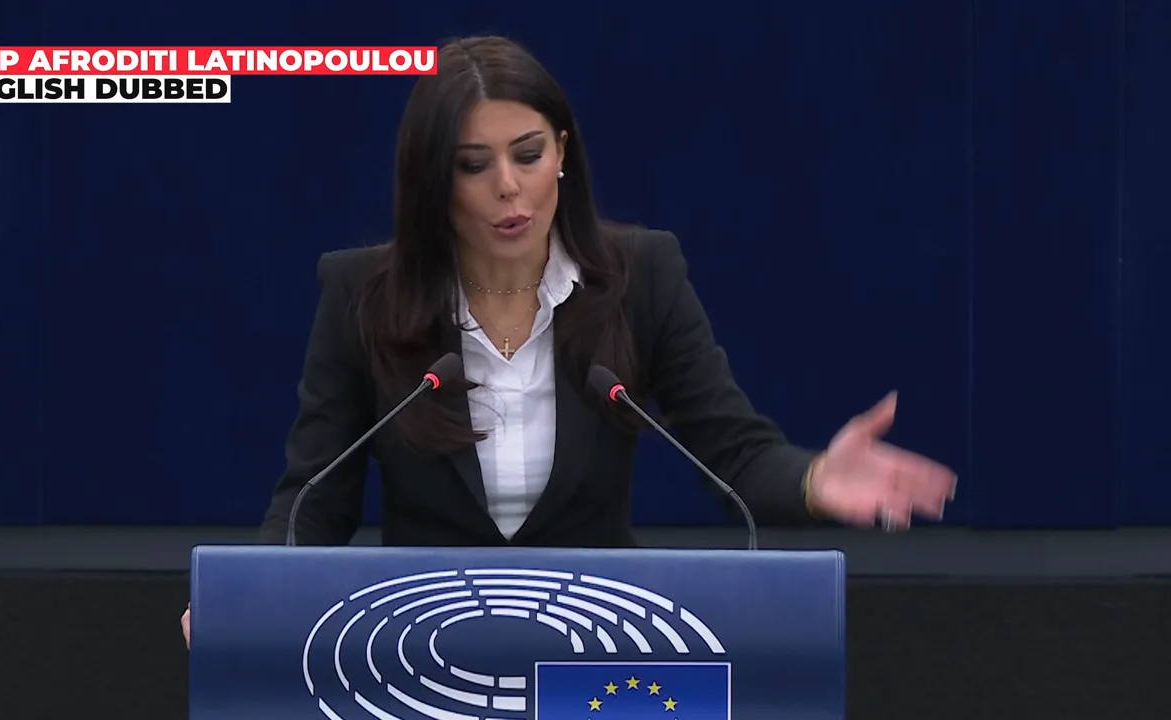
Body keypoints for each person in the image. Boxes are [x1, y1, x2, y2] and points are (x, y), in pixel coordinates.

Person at [180, 35, 956, 646]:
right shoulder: (364, 295)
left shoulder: (640, 275)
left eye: (528, 154)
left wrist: (817, 477)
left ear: (563, 152)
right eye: (472, 166)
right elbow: (315, 496)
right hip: (422, 647)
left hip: (602, 643)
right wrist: (247, 597)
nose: (509, 188)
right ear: (431, 182)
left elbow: (738, 454)